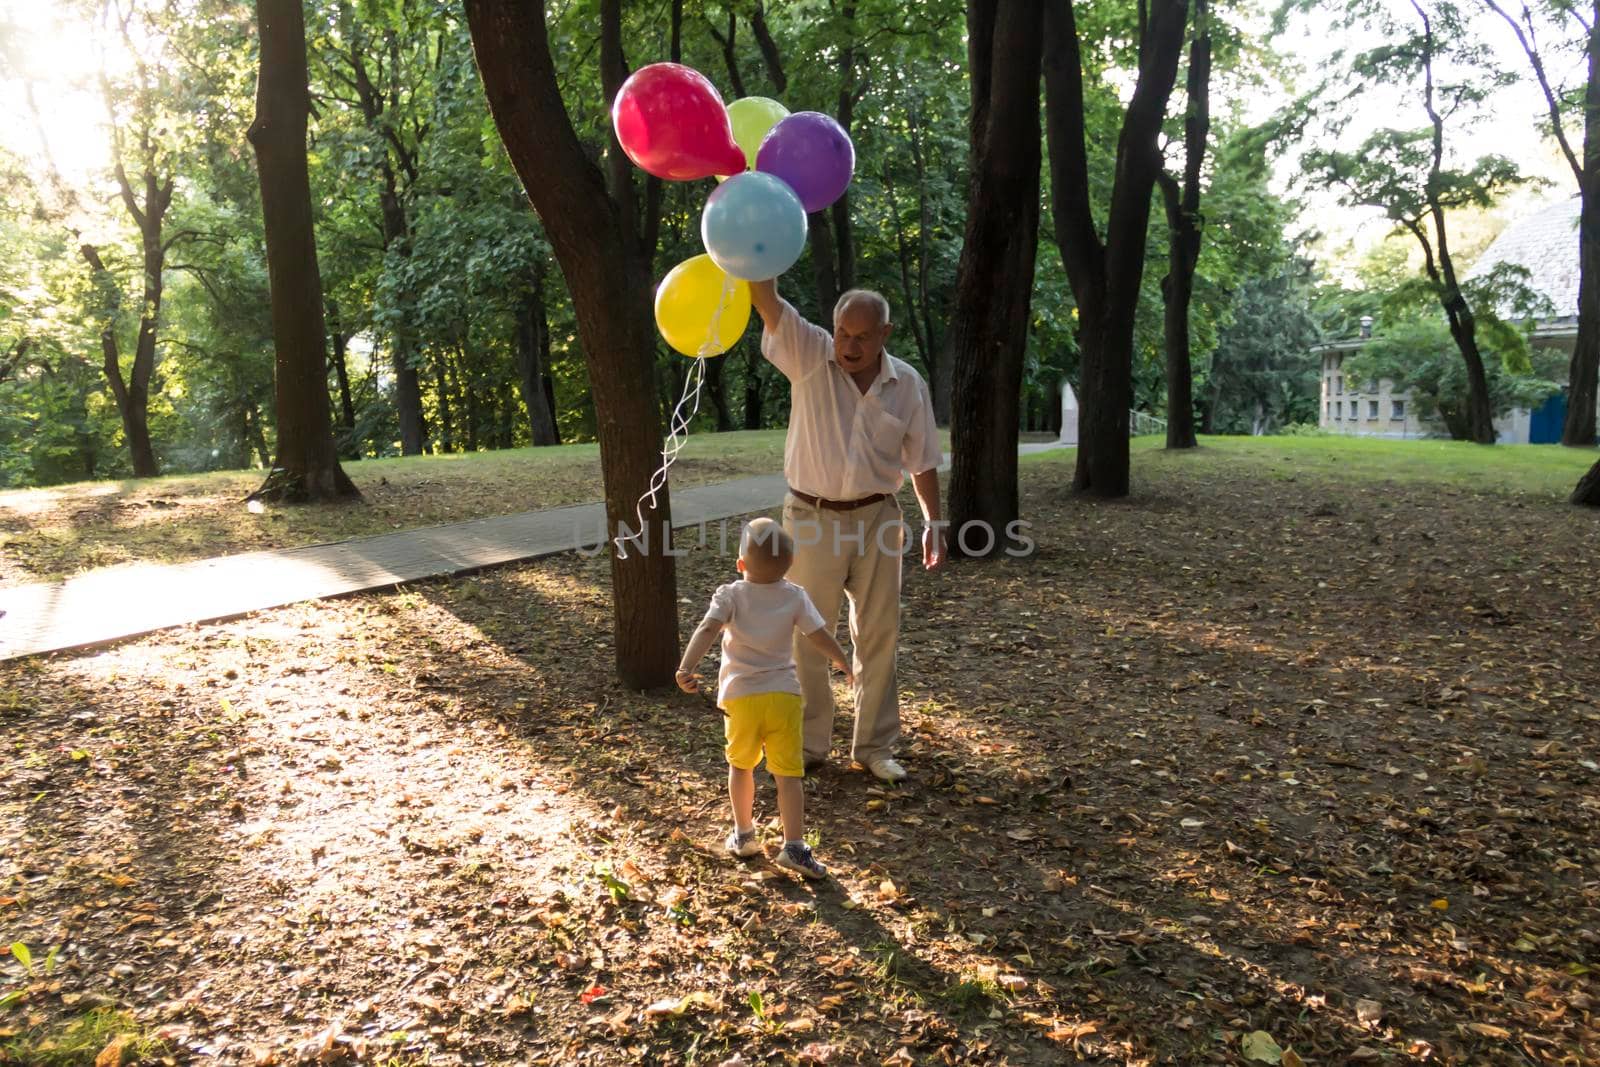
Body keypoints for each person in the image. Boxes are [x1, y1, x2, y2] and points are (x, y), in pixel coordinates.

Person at [749, 279, 946, 784]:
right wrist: (751, 239)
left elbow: (922, 460)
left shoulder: (907, 385)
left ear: (885, 334)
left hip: (878, 516)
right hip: (812, 516)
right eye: (843, 333)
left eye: (862, 336)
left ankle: (876, 746)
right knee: (809, 631)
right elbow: (766, 300)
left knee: (879, 634)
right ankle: (810, 744)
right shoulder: (810, 352)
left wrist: (933, 523)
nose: (850, 346)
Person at [676, 517, 853, 880]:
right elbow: (817, 634)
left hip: (741, 698)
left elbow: (707, 628)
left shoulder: (731, 594)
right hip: (784, 697)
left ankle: (743, 835)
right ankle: (795, 847)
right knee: (789, 775)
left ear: (741, 565)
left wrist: (686, 667)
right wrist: (842, 659)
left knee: (741, 766)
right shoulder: (794, 595)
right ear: (789, 564)